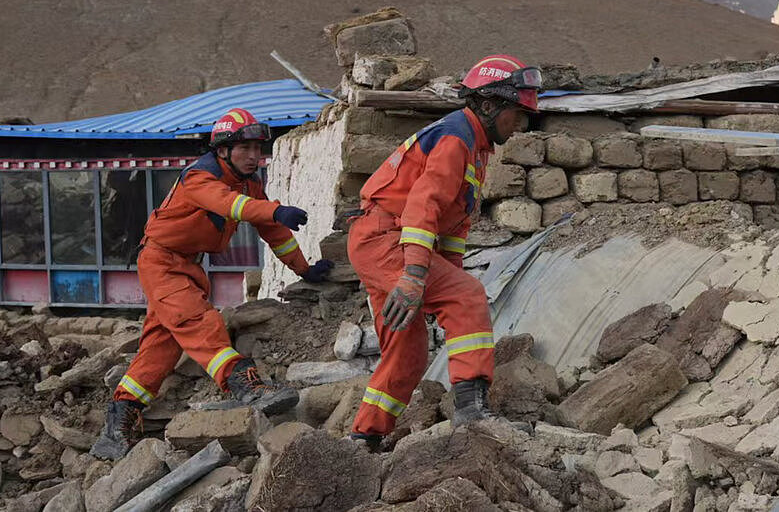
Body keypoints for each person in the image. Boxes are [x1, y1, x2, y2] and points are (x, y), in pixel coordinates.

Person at [90, 108, 334, 460]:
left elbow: (274, 232)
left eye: (257, 148)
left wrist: (304, 269)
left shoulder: (248, 185)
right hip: (161, 262)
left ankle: (118, 424)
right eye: (245, 148)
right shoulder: (200, 178)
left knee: (161, 346)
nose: (254, 156)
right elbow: (231, 205)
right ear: (222, 150)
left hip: (186, 265)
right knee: (199, 322)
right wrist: (274, 209)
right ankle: (245, 386)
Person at [347, 55, 541, 450]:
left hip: (385, 240)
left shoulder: (476, 146)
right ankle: (471, 412)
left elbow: (452, 225)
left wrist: (441, 277)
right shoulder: (457, 138)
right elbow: (423, 207)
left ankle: (363, 437)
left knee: (409, 354)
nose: (520, 123)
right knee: (467, 294)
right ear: (488, 105)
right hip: (387, 239)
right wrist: (417, 276)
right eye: (516, 112)